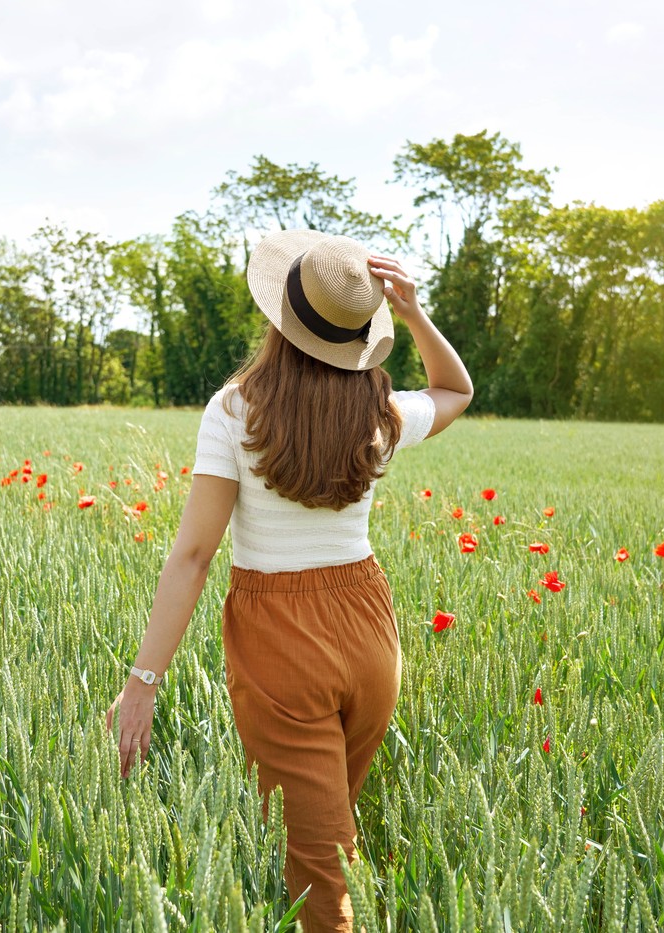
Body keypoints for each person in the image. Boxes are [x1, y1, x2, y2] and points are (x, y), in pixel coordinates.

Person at [106, 230, 472, 931]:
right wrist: (417, 314)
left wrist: (142, 682)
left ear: (279, 316)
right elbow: (457, 388)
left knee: (319, 880)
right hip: (369, 630)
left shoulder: (235, 410)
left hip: (280, 642)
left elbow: (193, 557)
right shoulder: (379, 411)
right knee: (328, 838)